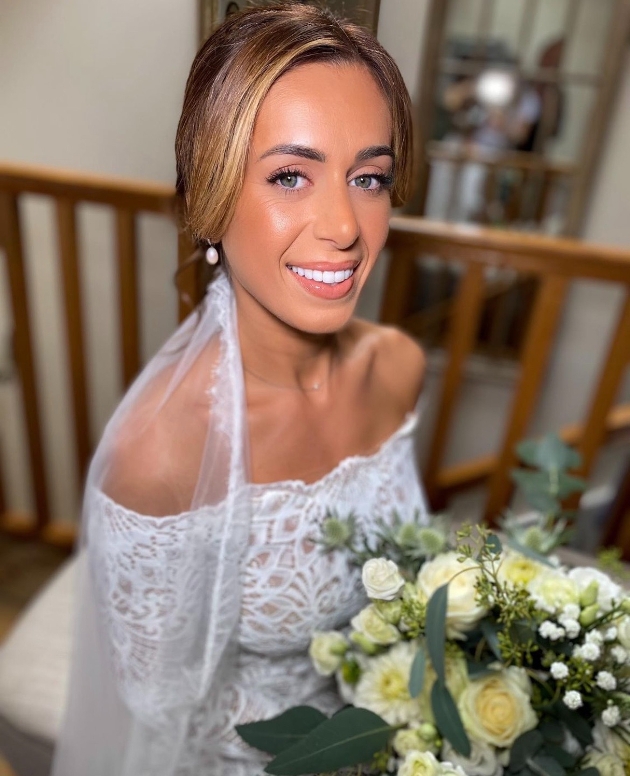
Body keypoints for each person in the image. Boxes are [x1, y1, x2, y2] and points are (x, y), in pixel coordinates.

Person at [51, 4, 428, 775]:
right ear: (209, 202)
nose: (344, 226)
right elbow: (158, 718)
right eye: (290, 175)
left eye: (370, 177)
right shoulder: (159, 459)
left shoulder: (396, 368)